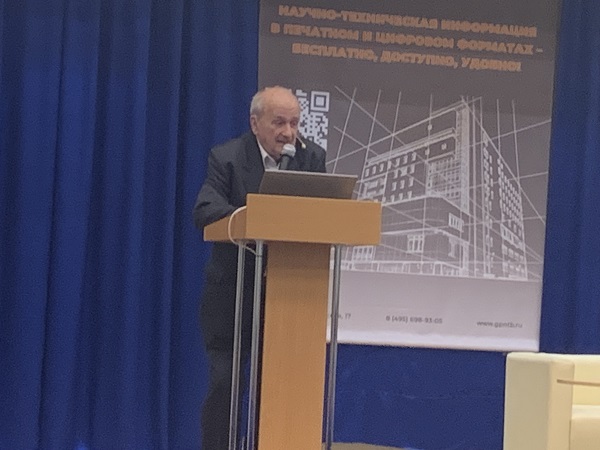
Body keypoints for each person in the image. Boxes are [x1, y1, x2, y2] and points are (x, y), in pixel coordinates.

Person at [193, 86, 326, 449]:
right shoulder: (228, 157)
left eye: (294, 123)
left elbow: (323, 216)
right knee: (225, 386)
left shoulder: (312, 157)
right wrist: (256, 219)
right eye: (279, 122)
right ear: (255, 123)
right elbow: (204, 211)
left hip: (290, 297)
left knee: (282, 386)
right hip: (232, 297)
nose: (288, 132)